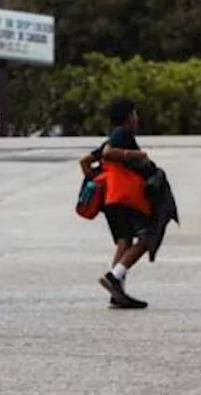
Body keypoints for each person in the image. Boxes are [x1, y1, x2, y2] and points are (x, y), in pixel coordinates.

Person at [80, 97, 153, 309]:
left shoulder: (112, 136)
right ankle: (115, 277)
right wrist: (135, 154)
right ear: (129, 117)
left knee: (124, 241)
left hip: (110, 199)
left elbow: (85, 161)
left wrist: (96, 181)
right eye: (135, 114)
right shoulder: (122, 134)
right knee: (146, 238)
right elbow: (107, 153)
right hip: (124, 197)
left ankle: (117, 292)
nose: (137, 119)